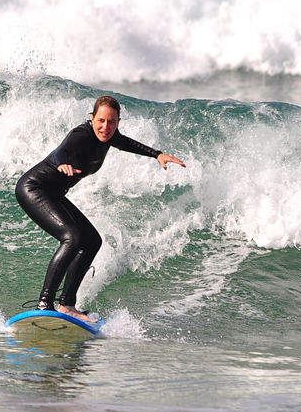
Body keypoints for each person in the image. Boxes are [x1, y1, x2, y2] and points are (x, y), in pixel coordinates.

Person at [15, 96, 185, 322]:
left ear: (118, 122)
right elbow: (62, 151)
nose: (106, 127)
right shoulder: (81, 135)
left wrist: (157, 154)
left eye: (112, 122)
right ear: (92, 118)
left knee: (92, 241)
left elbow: (127, 144)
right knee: (72, 238)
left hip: (53, 194)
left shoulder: (109, 137)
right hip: (34, 189)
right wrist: (61, 163)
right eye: (101, 120)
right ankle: (45, 303)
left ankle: (66, 304)